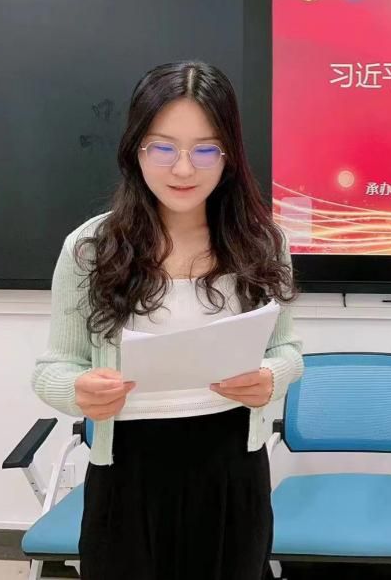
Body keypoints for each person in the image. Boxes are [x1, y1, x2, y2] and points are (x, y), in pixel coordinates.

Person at [32, 61, 302, 580]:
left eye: (205, 150)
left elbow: (288, 351)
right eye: (163, 148)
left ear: (228, 155)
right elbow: (52, 368)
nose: (183, 169)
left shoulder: (263, 243)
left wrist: (272, 377)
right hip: (127, 476)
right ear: (136, 149)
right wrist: (79, 390)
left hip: (232, 474)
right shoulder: (90, 248)